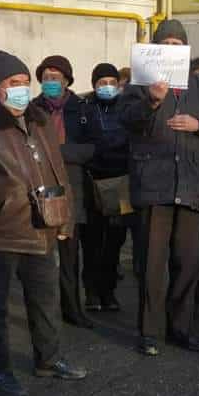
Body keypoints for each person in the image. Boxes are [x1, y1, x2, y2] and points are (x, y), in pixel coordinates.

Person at [0, 50, 87, 396]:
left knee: (46, 298)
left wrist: (64, 216)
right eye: (14, 83)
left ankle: (49, 359)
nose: (22, 89)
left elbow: (57, 171)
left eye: (26, 83)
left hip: (41, 226)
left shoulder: (39, 120)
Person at [120, 19, 199, 356]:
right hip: (154, 185)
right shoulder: (140, 84)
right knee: (152, 263)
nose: (171, 49)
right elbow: (126, 121)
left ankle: (181, 327)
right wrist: (151, 101)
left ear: (185, 49)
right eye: (164, 43)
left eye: (176, 44)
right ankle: (149, 332)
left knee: (188, 262)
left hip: (192, 186)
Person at [34, 55, 95, 329]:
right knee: (42, 255)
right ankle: (43, 310)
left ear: (67, 80)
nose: (50, 82)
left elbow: (93, 146)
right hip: (41, 187)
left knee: (70, 254)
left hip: (73, 188)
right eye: (46, 78)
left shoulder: (81, 108)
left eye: (55, 78)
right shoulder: (33, 108)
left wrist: (58, 153)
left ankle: (72, 308)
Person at [78, 63, 132, 313]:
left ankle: (108, 291)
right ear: (94, 85)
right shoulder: (85, 108)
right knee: (91, 240)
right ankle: (91, 291)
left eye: (112, 82)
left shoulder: (127, 108)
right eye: (102, 83)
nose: (107, 87)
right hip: (92, 181)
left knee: (115, 241)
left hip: (122, 182)